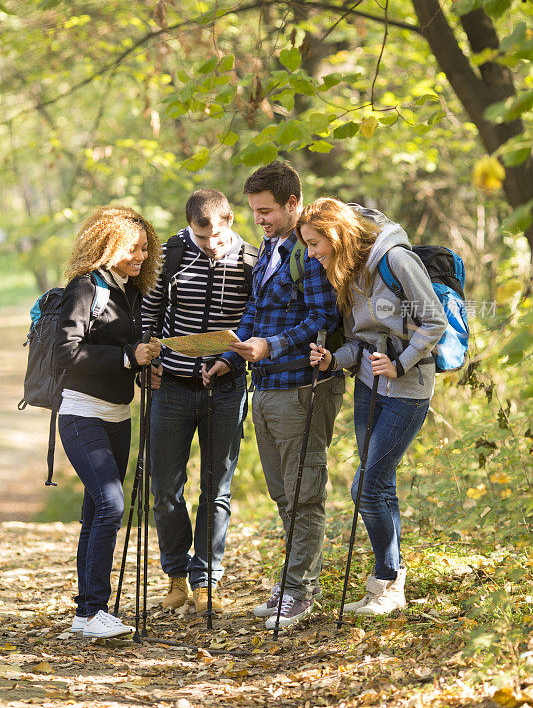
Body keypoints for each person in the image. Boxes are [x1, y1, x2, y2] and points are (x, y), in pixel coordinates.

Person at [204, 161, 345, 629]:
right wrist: (232, 355)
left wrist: (273, 346)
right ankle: (294, 583)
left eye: (266, 211)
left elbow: (321, 319)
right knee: (283, 495)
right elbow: (255, 311)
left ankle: (300, 592)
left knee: (305, 494)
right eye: (254, 212)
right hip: (264, 387)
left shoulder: (310, 253)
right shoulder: (269, 248)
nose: (259, 219)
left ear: (292, 203)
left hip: (303, 389)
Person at [297, 197, 447, 615]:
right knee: (380, 486)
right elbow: (361, 342)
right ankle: (390, 583)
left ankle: (386, 577)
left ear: (336, 234)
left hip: (408, 388)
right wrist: (333, 360)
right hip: (369, 388)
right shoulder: (348, 270)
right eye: (307, 246)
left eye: (314, 244)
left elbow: (435, 321)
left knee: (365, 486)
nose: (312, 254)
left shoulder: (395, 259)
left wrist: (399, 364)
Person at [141, 189, 257, 615]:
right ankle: (175, 576)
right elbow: (149, 317)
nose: (211, 244)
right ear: (190, 226)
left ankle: (205, 581)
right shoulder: (169, 256)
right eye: (202, 236)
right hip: (171, 386)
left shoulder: (252, 259)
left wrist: (229, 359)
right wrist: (147, 361)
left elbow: (254, 317)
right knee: (165, 489)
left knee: (217, 489)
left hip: (226, 389)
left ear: (230, 220)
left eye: (219, 235)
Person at [54, 205, 162, 638]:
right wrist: (126, 357)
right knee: (111, 505)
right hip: (81, 413)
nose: (140, 257)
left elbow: (124, 351)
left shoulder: (129, 290)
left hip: (119, 416)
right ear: (109, 245)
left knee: (95, 510)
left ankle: (86, 613)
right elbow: (67, 351)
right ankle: (93, 610)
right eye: (133, 249)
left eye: (144, 250)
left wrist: (141, 367)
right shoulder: (86, 287)